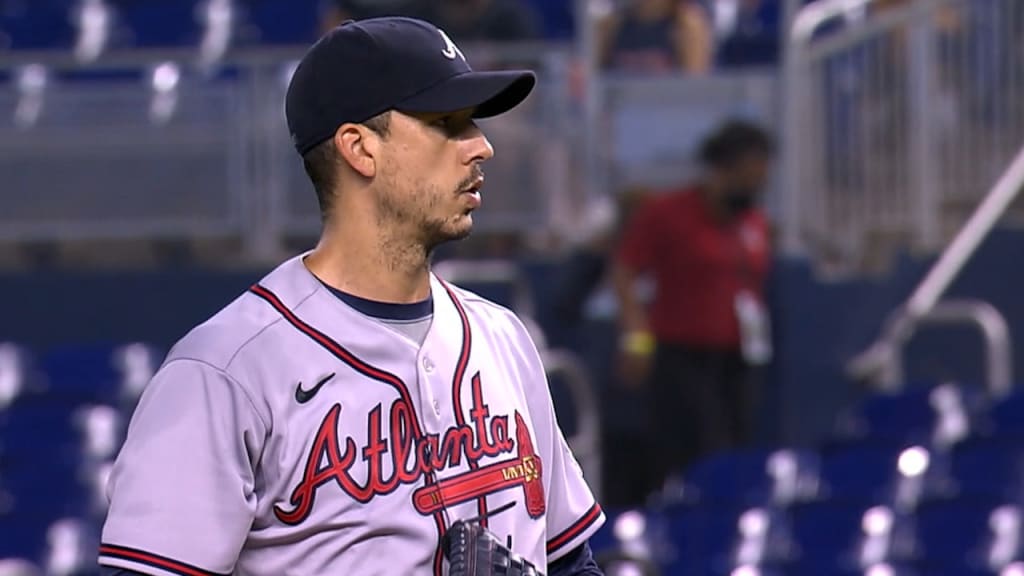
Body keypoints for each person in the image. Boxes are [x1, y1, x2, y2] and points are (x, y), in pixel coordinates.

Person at [97, 16, 605, 576]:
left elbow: (569, 560)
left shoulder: (505, 338)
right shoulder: (226, 370)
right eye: (447, 122)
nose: (481, 145)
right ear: (360, 149)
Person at [612, 119, 775, 493]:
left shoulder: (754, 223)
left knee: (737, 453)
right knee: (693, 455)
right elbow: (624, 271)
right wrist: (638, 338)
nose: (754, 187)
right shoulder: (668, 213)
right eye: (747, 176)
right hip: (682, 358)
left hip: (738, 359)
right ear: (721, 170)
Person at [596, 0, 713, 75]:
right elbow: (594, 90)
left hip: (670, 110)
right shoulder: (610, 27)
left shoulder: (688, 28)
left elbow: (694, 95)